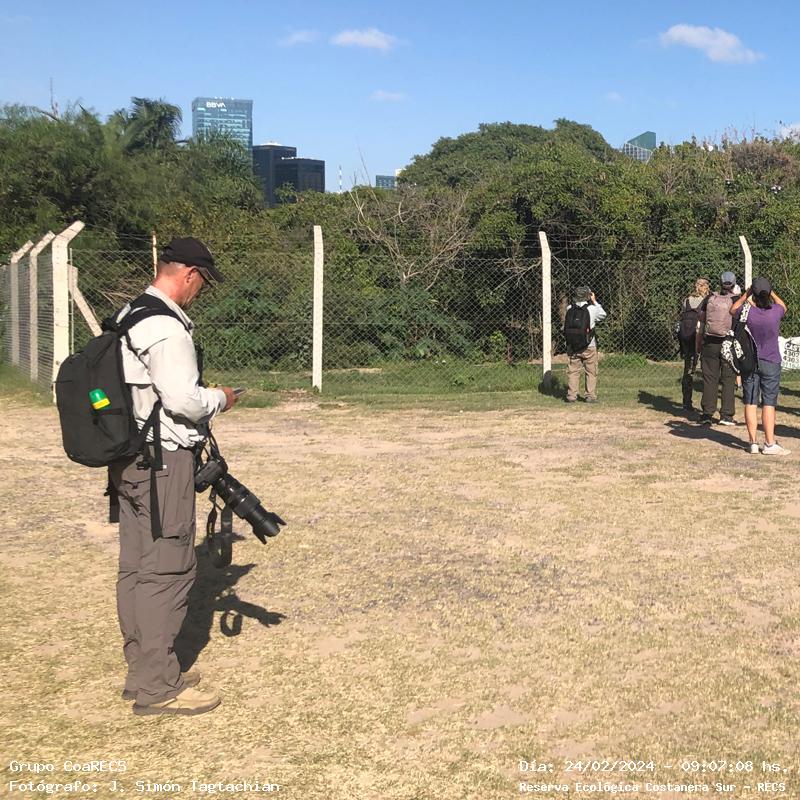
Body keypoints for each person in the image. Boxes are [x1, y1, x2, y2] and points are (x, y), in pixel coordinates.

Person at [109, 236, 237, 715]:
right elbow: (183, 400)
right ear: (188, 275)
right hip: (162, 460)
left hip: (127, 455)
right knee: (168, 568)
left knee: (137, 566)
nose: (200, 291)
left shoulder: (129, 314)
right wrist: (221, 398)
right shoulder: (167, 327)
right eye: (202, 282)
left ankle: (143, 668)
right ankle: (158, 687)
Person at [730, 276, 790, 455]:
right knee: (769, 402)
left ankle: (753, 442)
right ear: (768, 294)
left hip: (750, 361)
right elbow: (783, 306)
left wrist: (745, 294)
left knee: (750, 400)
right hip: (771, 360)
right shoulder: (775, 312)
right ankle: (770, 443)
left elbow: (733, 310)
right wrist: (772, 293)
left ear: (753, 294)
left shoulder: (748, 312)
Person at [698, 271, 737, 425]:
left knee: (709, 378)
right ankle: (727, 415)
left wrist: (698, 344)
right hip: (729, 343)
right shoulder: (736, 300)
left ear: (720, 283)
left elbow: (701, 322)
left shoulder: (709, 298)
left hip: (710, 343)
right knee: (728, 379)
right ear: (733, 284)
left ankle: (707, 414)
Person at [564, 286, 607, 403]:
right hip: (589, 345)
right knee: (591, 371)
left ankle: (571, 396)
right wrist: (594, 301)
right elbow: (603, 315)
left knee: (573, 371)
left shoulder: (569, 308)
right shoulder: (592, 309)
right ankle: (590, 396)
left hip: (573, 346)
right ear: (587, 296)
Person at [677, 277, 710, 413]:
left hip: (687, 339)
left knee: (688, 370)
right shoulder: (706, 301)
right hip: (701, 339)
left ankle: (686, 403)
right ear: (705, 287)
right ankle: (707, 405)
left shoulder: (686, 300)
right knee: (707, 371)